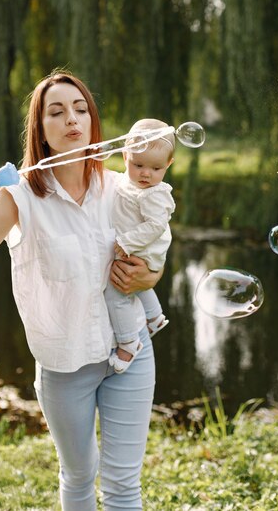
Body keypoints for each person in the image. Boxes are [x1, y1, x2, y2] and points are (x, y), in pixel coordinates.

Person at [0, 70, 163, 511]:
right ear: (40, 130)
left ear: (93, 123)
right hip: (65, 363)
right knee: (79, 475)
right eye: (56, 112)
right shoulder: (18, 196)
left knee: (123, 485)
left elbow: (151, 256)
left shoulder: (122, 189)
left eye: (80, 109)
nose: (71, 119)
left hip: (130, 351)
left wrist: (150, 276)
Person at [106, 119, 175, 373]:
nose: (146, 174)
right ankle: (154, 317)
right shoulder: (127, 182)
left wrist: (126, 241)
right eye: (138, 165)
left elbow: (156, 226)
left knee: (117, 291)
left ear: (168, 164)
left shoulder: (154, 194)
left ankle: (128, 343)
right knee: (135, 282)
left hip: (144, 248)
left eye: (156, 168)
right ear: (125, 157)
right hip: (140, 249)